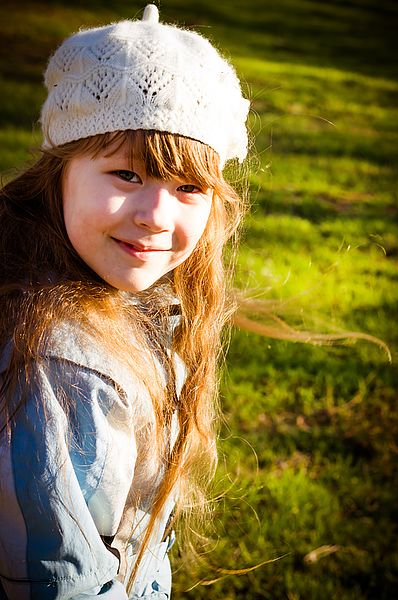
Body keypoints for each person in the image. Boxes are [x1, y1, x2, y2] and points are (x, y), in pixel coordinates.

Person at [0, 4, 250, 599]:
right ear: (58, 170)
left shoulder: (127, 300)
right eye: (127, 176)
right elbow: (57, 583)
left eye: (189, 187)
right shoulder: (58, 365)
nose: (156, 216)